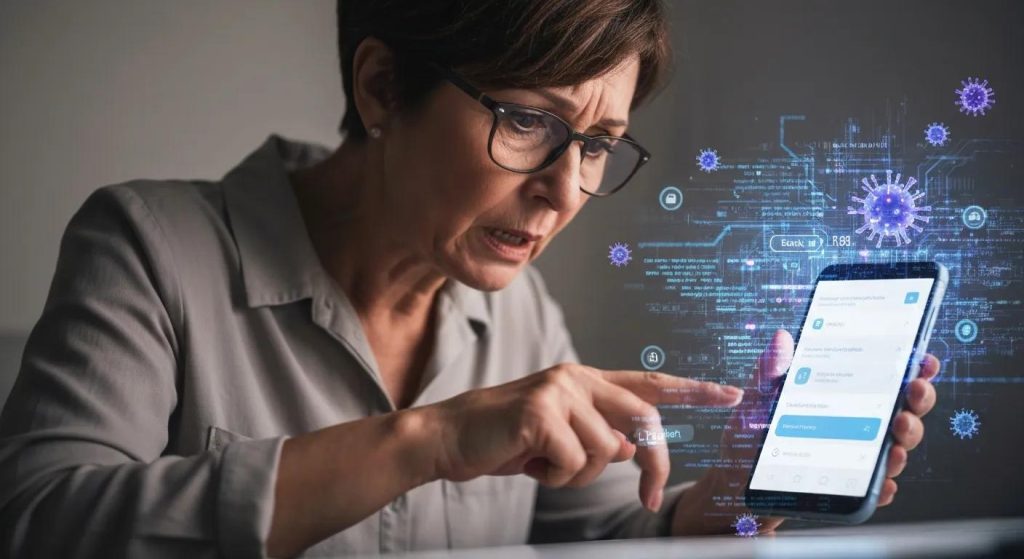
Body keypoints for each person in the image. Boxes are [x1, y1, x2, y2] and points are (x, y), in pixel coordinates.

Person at [0, 0, 940, 557]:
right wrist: (433, 439)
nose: (564, 191)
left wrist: (737, 494)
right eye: (528, 120)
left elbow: (603, 540)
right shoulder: (150, 245)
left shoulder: (520, 309)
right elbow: (37, 523)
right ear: (381, 87)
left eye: (598, 145)